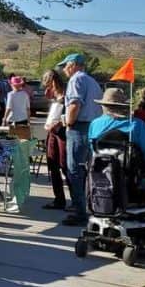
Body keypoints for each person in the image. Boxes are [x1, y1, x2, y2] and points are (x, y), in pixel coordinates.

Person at [58, 53, 103, 227]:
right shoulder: (92, 81)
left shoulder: (76, 80)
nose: (64, 69)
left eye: (65, 66)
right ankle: (91, 207)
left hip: (79, 127)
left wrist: (68, 122)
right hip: (93, 127)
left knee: (74, 170)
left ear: (73, 65)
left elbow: (75, 104)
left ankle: (79, 211)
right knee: (88, 170)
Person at [88, 87, 145, 168]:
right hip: (131, 176)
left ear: (103, 106)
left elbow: (92, 151)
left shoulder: (95, 124)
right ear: (124, 106)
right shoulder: (136, 125)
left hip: (99, 175)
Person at [41, 69, 69, 211]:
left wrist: (59, 124)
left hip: (63, 135)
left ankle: (76, 201)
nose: (47, 89)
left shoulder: (66, 96)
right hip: (53, 134)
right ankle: (59, 199)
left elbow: (69, 117)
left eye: (48, 86)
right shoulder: (57, 97)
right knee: (53, 166)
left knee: (65, 166)